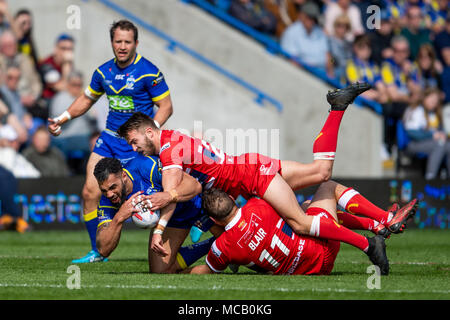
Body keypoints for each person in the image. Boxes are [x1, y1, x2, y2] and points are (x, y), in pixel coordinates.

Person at [117, 82, 418, 273]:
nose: (134, 148)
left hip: (249, 178)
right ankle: (338, 110)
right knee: (322, 174)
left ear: (147, 131)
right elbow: (181, 189)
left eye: (133, 141)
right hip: (249, 167)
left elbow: (171, 191)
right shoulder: (175, 137)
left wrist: (158, 229)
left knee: (300, 221)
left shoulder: (168, 149)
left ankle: (369, 244)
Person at [47, 20, 174, 263]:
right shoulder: (103, 72)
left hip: (135, 144)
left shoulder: (149, 72)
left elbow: (166, 106)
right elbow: (87, 99)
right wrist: (62, 118)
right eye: (118, 41)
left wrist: (149, 135)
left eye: (128, 41)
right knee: (89, 191)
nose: (123, 46)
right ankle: (98, 251)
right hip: (109, 139)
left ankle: (188, 226)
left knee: (160, 190)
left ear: (136, 43)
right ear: (112, 43)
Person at [183, 184, 408, 276]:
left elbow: (207, 271)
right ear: (233, 198)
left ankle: (375, 226)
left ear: (214, 219)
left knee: (309, 209)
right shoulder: (259, 205)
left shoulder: (223, 248)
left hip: (306, 271)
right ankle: (380, 224)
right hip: (322, 249)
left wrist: (177, 272)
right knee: (327, 188)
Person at [93, 156, 219, 272]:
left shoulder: (147, 166)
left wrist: (168, 196)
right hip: (173, 219)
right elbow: (103, 250)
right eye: (104, 190)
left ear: (124, 176)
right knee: (160, 271)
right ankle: (213, 244)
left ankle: (220, 241)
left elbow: (194, 186)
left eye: (113, 187)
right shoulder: (107, 200)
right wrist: (119, 217)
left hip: (198, 204)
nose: (109, 194)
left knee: (235, 248)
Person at [402, 88, 450, 179]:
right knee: (439, 145)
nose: (433, 103)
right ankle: (430, 178)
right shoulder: (416, 110)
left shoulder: (434, 114)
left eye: (435, 101)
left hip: (429, 143)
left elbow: (439, 130)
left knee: (448, 145)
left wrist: (442, 135)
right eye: (431, 100)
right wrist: (432, 135)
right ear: (425, 97)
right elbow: (411, 133)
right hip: (412, 144)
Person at [280, 1, 334, 76]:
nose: (311, 21)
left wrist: (331, 72)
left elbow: (329, 57)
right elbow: (291, 60)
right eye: (309, 17)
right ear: (302, 15)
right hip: (302, 73)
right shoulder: (292, 32)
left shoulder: (320, 33)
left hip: (322, 73)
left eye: (314, 18)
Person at [345, 34, 389, 104]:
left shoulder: (374, 67)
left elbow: (382, 89)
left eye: (369, 46)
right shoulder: (351, 64)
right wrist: (377, 95)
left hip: (372, 100)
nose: (366, 50)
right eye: (362, 46)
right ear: (355, 47)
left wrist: (377, 94)